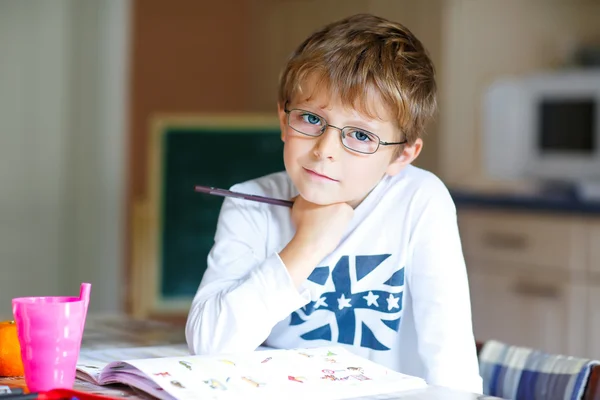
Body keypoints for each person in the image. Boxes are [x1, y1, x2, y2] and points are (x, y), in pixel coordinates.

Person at [185, 13, 483, 393]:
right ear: (283, 118)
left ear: (402, 156)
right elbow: (208, 344)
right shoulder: (251, 203)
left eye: (360, 135)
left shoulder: (421, 201)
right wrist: (307, 245)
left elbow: (451, 359)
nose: (325, 150)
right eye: (310, 118)